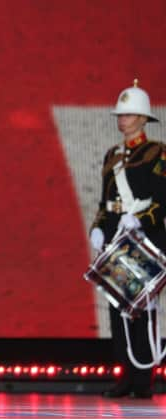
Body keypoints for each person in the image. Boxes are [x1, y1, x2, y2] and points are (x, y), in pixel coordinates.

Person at [89, 80, 166, 399]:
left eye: (129, 114)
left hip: (144, 240)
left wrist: (142, 220)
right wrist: (98, 227)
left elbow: (162, 199)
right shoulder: (112, 155)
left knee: (143, 308)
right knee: (118, 310)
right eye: (120, 115)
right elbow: (106, 201)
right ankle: (125, 375)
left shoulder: (157, 154)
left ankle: (143, 378)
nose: (122, 119)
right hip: (116, 240)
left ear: (142, 118)